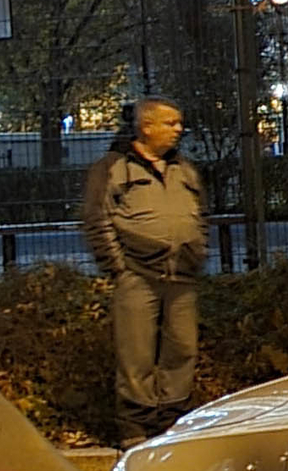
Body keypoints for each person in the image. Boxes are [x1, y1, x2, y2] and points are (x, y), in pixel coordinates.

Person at [81, 99, 208, 441]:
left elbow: (198, 215)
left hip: (181, 274)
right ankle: (136, 428)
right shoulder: (112, 168)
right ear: (146, 127)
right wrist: (118, 268)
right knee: (135, 353)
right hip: (137, 274)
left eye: (179, 122)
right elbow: (96, 218)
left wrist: (196, 250)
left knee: (182, 349)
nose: (178, 129)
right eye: (170, 123)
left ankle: (172, 422)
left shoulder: (184, 169)